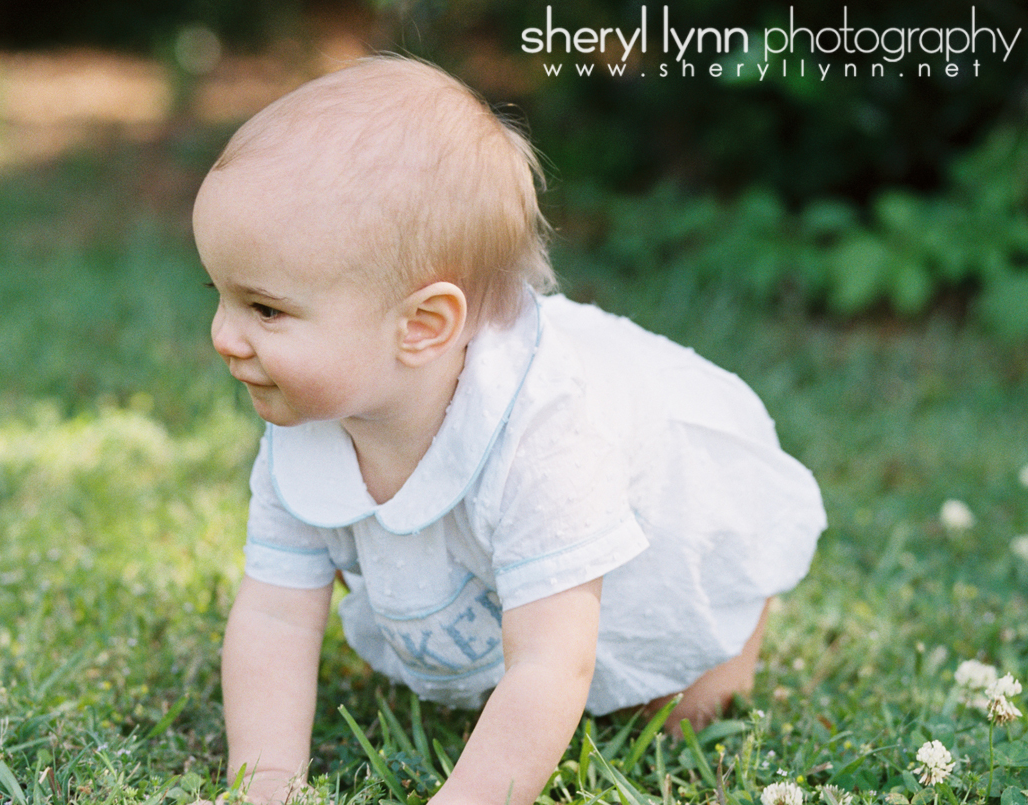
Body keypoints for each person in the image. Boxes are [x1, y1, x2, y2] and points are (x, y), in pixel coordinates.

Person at [192, 54, 825, 805]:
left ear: (422, 325)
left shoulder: (547, 441)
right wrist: (265, 786)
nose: (223, 336)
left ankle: (731, 633)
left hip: (667, 524)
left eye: (265, 309)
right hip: (509, 539)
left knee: (683, 713)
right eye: (219, 295)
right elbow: (275, 614)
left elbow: (550, 663)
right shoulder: (307, 418)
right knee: (502, 653)